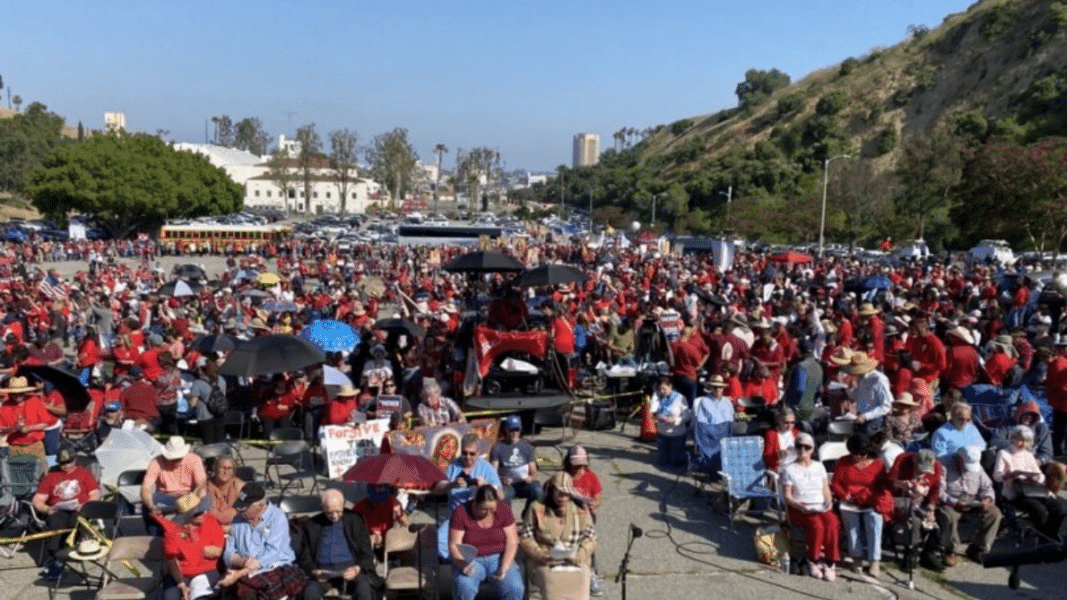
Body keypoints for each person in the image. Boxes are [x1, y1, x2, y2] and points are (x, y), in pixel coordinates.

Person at [519, 471, 598, 600]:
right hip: (545, 561)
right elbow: (526, 538)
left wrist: (581, 554)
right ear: (551, 490)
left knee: (581, 584)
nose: (562, 496)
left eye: (566, 493)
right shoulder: (536, 508)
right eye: (559, 492)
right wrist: (540, 555)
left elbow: (591, 539)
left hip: (575, 560)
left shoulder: (581, 510)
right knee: (551, 586)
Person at [220, 483, 306, 600]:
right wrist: (243, 562)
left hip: (275, 567)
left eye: (243, 509)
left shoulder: (277, 517)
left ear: (259, 507)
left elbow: (271, 555)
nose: (239, 512)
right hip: (245, 568)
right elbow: (228, 553)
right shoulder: (237, 520)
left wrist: (239, 574)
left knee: (261, 592)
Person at [298, 489, 383, 600]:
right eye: (329, 512)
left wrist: (357, 568)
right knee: (309, 592)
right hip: (323, 572)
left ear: (343, 506)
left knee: (364, 591)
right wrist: (314, 571)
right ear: (322, 508)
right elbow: (305, 556)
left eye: (338, 511)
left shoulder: (355, 520)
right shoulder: (311, 525)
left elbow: (366, 553)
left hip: (351, 569)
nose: (334, 516)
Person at [32, 447, 101, 580]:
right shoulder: (51, 476)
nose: (66, 465)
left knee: (76, 521)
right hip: (58, 510)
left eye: (69, 462)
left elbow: (95, 493)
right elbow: (38, 498)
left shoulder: (84, 473)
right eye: (63, 463)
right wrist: (46, 509)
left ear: (75, 460)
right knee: (55, 523)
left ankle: (63, 556)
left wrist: (85, 505)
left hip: (80, 508)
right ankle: (56, 557)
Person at [830, 433, 892, 578]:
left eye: (863, 453)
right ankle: (856, 557)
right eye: (855, 453)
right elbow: (836, 483)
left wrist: (869, 496)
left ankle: (874, 560)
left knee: (874, 520)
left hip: (870, 500)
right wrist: (844, 496)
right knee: (851, 524)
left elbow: (882, 486)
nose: (859, 456)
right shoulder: (843, 461)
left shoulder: (878, 463)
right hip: (849, 501)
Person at [433, 433, 504, 558]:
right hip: (455, 515)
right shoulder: (453, 466)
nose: (468, 457)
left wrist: (487, 486)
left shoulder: (487, 468)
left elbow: (501, 495)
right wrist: (452, 484)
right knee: (440, 539)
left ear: (478, 452)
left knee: (478, 541)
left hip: (478, 516)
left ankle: (473, 562)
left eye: (472, 454)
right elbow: (437, 489)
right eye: (464, 453)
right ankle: (455, 562)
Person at [448, 484, 524, 600]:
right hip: (471, 558)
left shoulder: (503, 509)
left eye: (492, 509)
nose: (489, 513)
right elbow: (454, 544)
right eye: (484, 509)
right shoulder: (461, 512)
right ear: (475, 503)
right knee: (464, 586)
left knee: (515, 587)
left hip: (498, 557)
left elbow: (512, 541)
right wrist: (463, 565)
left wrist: (504, 567)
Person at [992, 425, 1067, 542]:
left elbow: (1041, 476)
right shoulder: (1003, 454)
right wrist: (1011, 475)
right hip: (1016, 491)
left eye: (1027, 441)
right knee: (1039, 510)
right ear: (1013, 438)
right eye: (1020, 440)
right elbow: (997, 476)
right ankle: (1046, 536)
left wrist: (1037, 478)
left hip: (1034, 489)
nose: (1023, 444)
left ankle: (1050, 534)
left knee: (1061, 507)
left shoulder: (1028, 455)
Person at [782, 433, 840, 581]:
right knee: (817, 525)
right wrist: (798, 505)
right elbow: (787, 496)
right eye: (799, 446)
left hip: (819, 505)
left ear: (813, 450)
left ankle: (830, 562)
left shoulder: (819, 466)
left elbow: (826, 489)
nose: (802, 450)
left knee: (833, 522)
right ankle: (813, 560)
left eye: (807, 447)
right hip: (799, 507)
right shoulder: (789, 469)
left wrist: (829, 502)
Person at [937, 446, 1002, 566]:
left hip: (973, 501)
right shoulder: (944, 465)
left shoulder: (978, 468)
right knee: (949, 516)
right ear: (960, 458)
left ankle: (978, 548)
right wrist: (954, 502)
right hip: (950, 502)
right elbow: (938, 491)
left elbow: (987, 487)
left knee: (995, 513)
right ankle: (951, 550)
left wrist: (987, 499)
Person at [156, 492, 226, 600]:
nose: (204, 513)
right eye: (198, 513)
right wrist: (181, 584)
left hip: (207, 571)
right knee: (170, 598)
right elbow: (173, 562)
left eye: (203, 509)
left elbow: (218, 551)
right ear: (185, 516)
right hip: (179, 575)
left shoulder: (211, 521)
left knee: (200, 597)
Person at [888, 450, 945, 571]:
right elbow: (890, 482)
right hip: (902, 500)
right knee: (915, 521)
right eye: (921, 469)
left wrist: (932, 505)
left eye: (926, 470)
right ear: (914, 460)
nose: (923, 472)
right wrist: (902, 484)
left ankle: (929, 553)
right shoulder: (902, 460)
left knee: (944, 520)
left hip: (922, 502)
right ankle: (910, 553)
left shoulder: (936, 465)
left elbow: (935, 489)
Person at [141, 436, 209, 531]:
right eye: (173, 458)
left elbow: (201, 484)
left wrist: (193, 499)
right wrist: (151, 506)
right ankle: (158, 533)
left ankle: (176, 527)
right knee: (146, 504)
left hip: (188, 495)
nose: (176, 461)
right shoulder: (157, 461)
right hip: (165, 496)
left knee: (206, 499)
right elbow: (146, 487)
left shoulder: (194, 459)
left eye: (178, 458)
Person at [562, 445, 604, 596]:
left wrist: (594, 503)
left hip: (586, 516)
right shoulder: (563, 476)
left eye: (582, 465)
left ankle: (591, 574)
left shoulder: (591, 476)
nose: (579, 469)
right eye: (576, 465)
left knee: (588, 544)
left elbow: (598, 496)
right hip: (565, 517)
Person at [0, 375, 58, 466]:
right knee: (16, 473)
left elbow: (46, 423)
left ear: (25, 392)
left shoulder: (34, 401)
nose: (17, 395)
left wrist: (29, 428)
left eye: (20, 393)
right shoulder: (6, 406)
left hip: (34, 446)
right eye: (14, 393)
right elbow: (1, 428)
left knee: (40, 473)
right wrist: (15, 428)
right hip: (15, 448)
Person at [489, 415, 542, 513]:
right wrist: (501, 479)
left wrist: (530, 478)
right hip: (507, 484)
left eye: (517, 429)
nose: (514, 432)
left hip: (523, 483)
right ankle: (507, 518)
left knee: (537, 490)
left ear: (520, 430)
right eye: (511, 430)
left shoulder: (527, 446)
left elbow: (534, 471)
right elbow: (493, 471)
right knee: (504, 494)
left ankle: (528, 514)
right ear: (506, 430)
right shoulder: (498, 447)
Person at [691, 374, 734, 475]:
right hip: (708, 435)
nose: (718, 389)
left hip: (723, 435)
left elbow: (729, 425)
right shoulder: (704, 401)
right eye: (715, 387)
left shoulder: (728, 403)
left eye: (720, 387)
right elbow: (701, 425)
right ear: (710, 388)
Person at [844, 351, 892, 434]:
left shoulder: (879, 379)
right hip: (862, 418)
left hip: (875, 421)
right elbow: (858, 396)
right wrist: (849, 388)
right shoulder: (861, 378)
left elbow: (886, 405)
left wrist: (866, 416)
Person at [649, 377, 691, 470]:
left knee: (675, 463)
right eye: (660, 389)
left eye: (664, 389)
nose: (662, 391)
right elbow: (652, 410)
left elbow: (688, 415)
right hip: (663, 434)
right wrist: (655, 394)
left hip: (676, 434)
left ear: (670, 386)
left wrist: (676, 420)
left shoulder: (680, 398)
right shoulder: (659, 397)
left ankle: (685, 457)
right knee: (662, 462)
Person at [206, 456, 245, 531]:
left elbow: (243, 513)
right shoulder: (206, 486)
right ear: (215, 468)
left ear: (233, 471)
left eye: (229, 469)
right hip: (209, 529)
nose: (225, 472)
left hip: (234, 529)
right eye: (222, 468)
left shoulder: (239, 486)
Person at [763, 408, 800, 474]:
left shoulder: (796, 432)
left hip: (797, 466)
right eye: (786, 423)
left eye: (792, 422)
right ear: (779, 421)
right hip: (781, 469)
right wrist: (778, 455)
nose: (789, 426)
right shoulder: (771, 434)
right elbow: (767, 458)